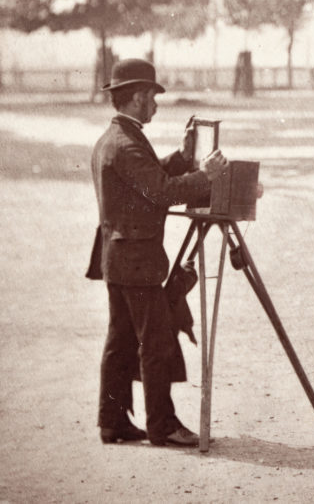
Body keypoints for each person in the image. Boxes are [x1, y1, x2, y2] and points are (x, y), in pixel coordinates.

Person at [88, 59, 227, 446]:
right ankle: (162, 425)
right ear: (134, 99)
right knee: (157, 341)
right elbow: (162, 192)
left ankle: (112, 421)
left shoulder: (116, 138)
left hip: (118, 257)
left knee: (120, 339)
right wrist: (206, 176)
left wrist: (182, 157)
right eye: (151, 97)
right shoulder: (126, 144)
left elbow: (148, 179)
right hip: (136, 260)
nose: (155, 105)